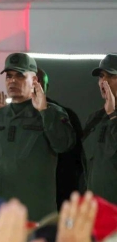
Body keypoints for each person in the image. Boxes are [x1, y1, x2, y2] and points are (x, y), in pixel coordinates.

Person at [0, 53, 75, 222]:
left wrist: (44, 111)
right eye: (9, 76)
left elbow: (63, 145)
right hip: (1, 214)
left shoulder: (52, 112)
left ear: (34, 80)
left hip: (38, 214)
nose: (12, 81)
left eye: (20, 75)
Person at [36, 68, 85, 208]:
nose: (36, 85)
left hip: (60, 191)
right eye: (33, 81)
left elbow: (76, 155)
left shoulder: (63, 113)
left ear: (46, 87)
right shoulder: (14, 117)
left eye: (39, 81)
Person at [82, 54, 117, 204]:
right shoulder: (94, 119)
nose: (104, 82)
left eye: (111, 76)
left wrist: (113, 115)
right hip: (96, 211)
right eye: (101, 77)